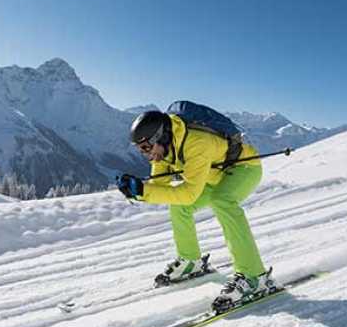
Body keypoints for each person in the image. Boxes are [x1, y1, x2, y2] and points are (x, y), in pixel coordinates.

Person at [117, 110, 276, 312]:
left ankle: (255, 277)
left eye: (147, 147)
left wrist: (143, 191)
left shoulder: (196, 142)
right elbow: (160, 186)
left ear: (161, 136)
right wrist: (137, 190)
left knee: (222, 201)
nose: (146, 154)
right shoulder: (164, 149)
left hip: (244, 168)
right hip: (212, 177)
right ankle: (191, 261)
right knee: (179, 206)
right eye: (141, 150)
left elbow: (189, 193)